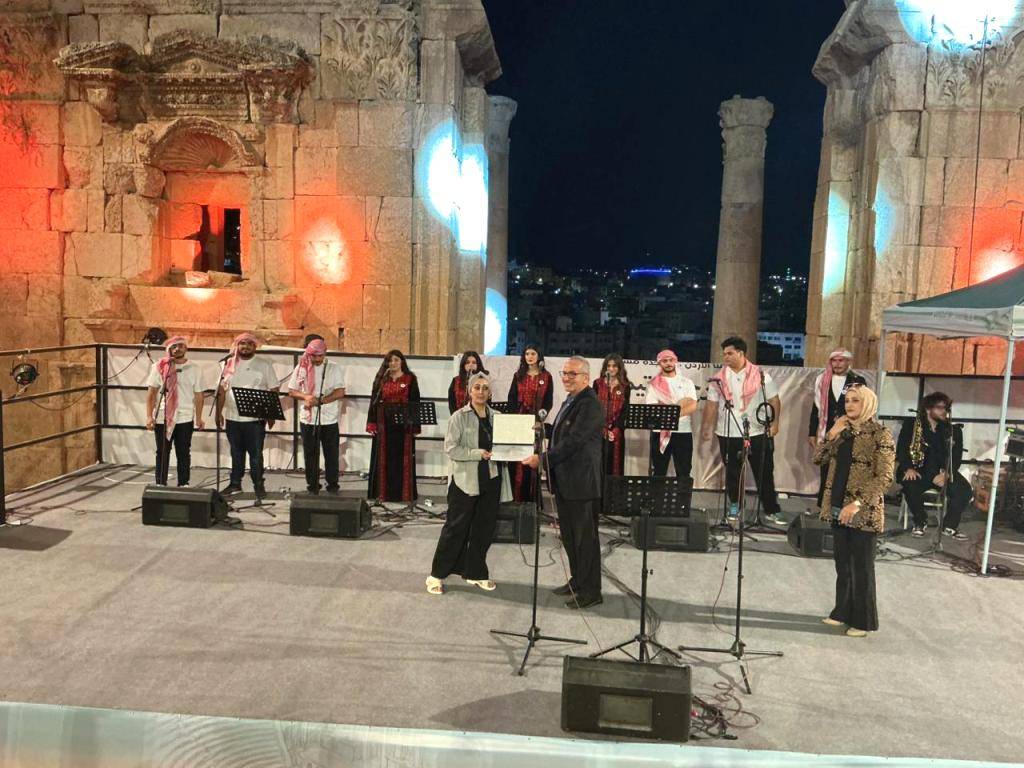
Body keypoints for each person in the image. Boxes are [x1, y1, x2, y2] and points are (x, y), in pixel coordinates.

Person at [522, 355, 604, 609]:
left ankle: (591, 591)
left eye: (572, 374)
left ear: (586, 378)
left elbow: (574, 441)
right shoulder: (571, 400)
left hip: (581, 483)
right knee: (569, 536)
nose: (567, 378)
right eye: (564, 373)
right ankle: (577, 581)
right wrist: (544, 430)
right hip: (566, 481)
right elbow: (563, 433)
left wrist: (542, 459)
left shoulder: (590, 404)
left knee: (585, 539)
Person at [813, 385, 895, 637]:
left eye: (856, 400)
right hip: (837, 505)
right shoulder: (843, 432)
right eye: (847, 400)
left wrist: (857, 503)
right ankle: (842, 612)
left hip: (863, 510)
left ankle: (863, 621)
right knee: (843, 565)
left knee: (862, 568)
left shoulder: (880, 434)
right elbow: (818, 459)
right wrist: (831, 434)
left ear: (867, 403)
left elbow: (884, 477)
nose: (849, 405)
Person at [427, 373, 511, 595]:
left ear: (490, 393)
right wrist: (477, 453)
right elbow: (451, 449)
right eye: (477, 387)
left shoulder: (498, 417)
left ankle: (476, 573)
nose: (481, 392)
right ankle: (436, 575)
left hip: (491, 479)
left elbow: (506, 446)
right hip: (465, 482)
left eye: (485, 388)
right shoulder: (458, 417)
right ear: (469, 391)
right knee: (455, 529)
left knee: (484, 529)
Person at [702, 336, 784, 524]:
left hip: (757, 430)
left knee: (764, 471)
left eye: (729, 353)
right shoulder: (718, 379)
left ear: (741, 353)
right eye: (724, 354)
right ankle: (735, 505)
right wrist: (707, 427)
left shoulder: (761, 376)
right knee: (733, 472)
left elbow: (774, 400)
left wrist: (775, 423)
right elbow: (712, 405)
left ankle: (771, 509)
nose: (726, 357)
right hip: (728, 431)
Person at [896, 392, 972, 539]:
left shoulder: (953, 430)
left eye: (946, 408)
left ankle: (949, 525)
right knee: (910, 486)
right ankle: (920, 521)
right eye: (939, 408)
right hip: (918, 469)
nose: (944, 411)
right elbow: (902, 449)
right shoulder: (911, 425)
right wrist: (908, 468)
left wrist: (947, 473)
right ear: (928, 409)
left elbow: (956, 457)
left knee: (965, 490)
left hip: (942, 472)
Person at [216, 332, 279, 498]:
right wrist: (218, 412)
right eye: (242, 343)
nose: (245, 347)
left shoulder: (264, 364)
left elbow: (273, 389)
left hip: (255, 419)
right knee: (236, 453)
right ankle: (235, 484)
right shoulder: (227, 364)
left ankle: (258, 485)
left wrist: (271, 414)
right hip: (232, 417)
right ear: (237, 345)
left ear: (255, 347)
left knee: (256, 454)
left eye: (249, 344)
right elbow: (221, 390)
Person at [287, 339, 347, 495]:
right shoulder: (301, 367)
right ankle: (313, 486)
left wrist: (320, 401)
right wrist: (306, 397)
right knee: (310, 454)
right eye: (314, 356)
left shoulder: (334, 368)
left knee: (331, 454)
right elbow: (292, 391)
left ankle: (332, 485)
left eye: (320, 356)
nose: (317, 359)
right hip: (308, 419)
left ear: (325, 354)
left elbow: (340, 392)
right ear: (309, 354)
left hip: (329, 419)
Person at [808, 348, 867, 506]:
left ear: (848, 362)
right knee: (825, 469)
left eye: (841, 360)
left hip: (848, 431)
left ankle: (840, 506)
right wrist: (812, 432)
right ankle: (823, 506)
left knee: (843, 469)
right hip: (827, 431)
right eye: (834, 360)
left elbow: (863, 407)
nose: (837, 364)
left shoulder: (857, 380)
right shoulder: (822, 380)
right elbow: (816, 408)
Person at [145, 336, 205, 486]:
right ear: (168, 350)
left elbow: (199, 395)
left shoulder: (195, 368)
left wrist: (199, 418)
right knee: (162, 452)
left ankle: (183, 483)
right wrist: (149, 416)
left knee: (183, 452)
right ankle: (160, 483)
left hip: (185, 416)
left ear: (186, 348)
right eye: (174, 347)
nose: (177, 349)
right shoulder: (159, 366)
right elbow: (151, 393)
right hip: (163, 417)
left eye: (180, 346)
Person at [367, 349, 420, 502]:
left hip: (404, 427)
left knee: (401, 460)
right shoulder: (381, 379)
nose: (393, 363)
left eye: (396, 360)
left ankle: (402, 495)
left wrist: (415, 426)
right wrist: (372, 423)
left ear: (402, 361)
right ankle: (382, 494)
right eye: (390, 360)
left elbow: (415, 402)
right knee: (383, 460)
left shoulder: (410, 379)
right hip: (384, 425)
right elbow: (373, 402)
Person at [507, 345, 554, 501]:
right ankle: (514, 498)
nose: (530, 357)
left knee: (532, 460)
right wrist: (515, 420)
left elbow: (548, 401)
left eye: (533, 353)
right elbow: (511, 399)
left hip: (535, 424)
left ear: (539, 356)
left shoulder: (546, 377)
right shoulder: (518, 376)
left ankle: (531, 500)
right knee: (517, 460)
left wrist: (540, 420)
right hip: (519, 422)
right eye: (527, 354)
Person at [644, 349, 698, 481]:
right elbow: (653, 408)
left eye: (671, 360)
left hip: (683, 431)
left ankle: (682, 496)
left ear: (676, 361)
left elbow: (692, 405)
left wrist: (669, 410)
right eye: (664, 361)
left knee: (684, 471)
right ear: (659, 363)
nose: (668, 363)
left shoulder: (687, 382)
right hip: (659, 431)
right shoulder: (653, 385)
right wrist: (681, 404)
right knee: (659, 471)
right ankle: (658, 495)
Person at [594, 353, 633, 476]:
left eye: (614, 366)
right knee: (600, 463)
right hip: (599, 430)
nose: (611, 369)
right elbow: (594, 408)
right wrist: (602, 428)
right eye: (608, 366)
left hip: (617, 430)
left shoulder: (625, 385)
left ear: (619, 368)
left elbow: (625, 410)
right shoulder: (597, 383)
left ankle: (614, 488)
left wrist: (616, 428)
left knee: (615, 464)